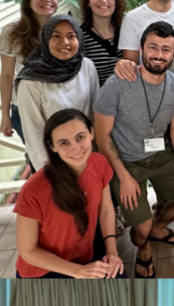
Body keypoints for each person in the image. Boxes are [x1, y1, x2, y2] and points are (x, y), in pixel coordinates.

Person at [93, 21, 174, 279]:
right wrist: (124, 177)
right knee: (140, 226)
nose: (159, 55)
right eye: (153, 48)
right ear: (140, 49)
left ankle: (158, 228)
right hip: (126, 162)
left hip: (161, 155)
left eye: (166, 49)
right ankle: (145, 248)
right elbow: (102, 138)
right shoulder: (117, 84)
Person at [14, 109, 122, 279]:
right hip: (45, 270)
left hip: (86, 255)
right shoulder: (33, 190)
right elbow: (28, 250)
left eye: (80, 137)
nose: (76, 148)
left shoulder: (99, 163)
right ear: (52, 146)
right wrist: (77, 272)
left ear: (91, 133)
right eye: (64, 143)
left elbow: (106, 209)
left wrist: (112, 252)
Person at [14, 13, 100, 174]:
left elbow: (94, 111)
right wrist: (52, 167)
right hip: (52, 160)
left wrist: (94, 151)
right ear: (46, 40)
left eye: (71, 36)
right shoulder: (31, 80)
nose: (65, 42)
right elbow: (33, 130)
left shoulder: (86, 66)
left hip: (86, 152)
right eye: (56, 36)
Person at [0, 0, 59, 161]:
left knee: (63, 156)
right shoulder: (12, 32)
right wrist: (4, 115)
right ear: (28, 1)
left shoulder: (64, 28)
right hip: (24, 107)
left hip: (58, 104)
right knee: (39, 157)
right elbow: (7, 76)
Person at [80, 0, 127, 85]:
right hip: (96, 100)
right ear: (88, 1)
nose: (103, 0)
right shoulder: (79, 35)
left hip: (126, 98)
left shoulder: (126, 29)